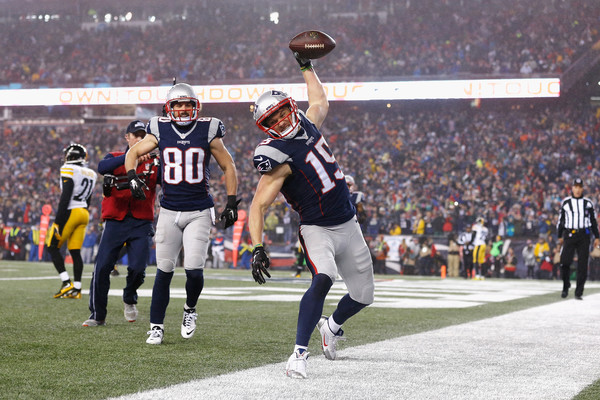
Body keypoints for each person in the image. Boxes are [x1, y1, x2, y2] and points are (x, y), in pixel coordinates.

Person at [248, 53, 374, 379]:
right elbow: (257, 206)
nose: (280, 123)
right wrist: (256, 246)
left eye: (280, 114)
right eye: (271, 121)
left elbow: (319, 100)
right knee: (324, 277)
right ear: (265, 128)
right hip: (317, 227)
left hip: (348, 222)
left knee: (363, 295)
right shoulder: (277, 156)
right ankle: (298, 355)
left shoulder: (307, 122)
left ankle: (331, 327)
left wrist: (306, 66)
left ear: (290, 107)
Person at [125, 82, 239, 344]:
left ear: (196, 106)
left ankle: (190, 309)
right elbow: (133, 152)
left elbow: (228, 166)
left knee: (194, 270)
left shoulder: (208, 129)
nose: (184, 108)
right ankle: (156, 326)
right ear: (170, 107)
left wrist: (231, 201)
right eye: (178, 104)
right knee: (164, 270)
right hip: (169, 210)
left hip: (199, 210)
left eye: (188, 103)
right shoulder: (159, 128)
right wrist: (132, 177)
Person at [82, 121, 160, 327]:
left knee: (138, 268)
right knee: (102, 268)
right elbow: (101, 167)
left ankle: (129, 296)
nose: (140, 139)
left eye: (144, 136)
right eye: (136, 135)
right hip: (115, 221)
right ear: (127, 137)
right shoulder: (114, 156)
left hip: (141, 221)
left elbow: (169, 181)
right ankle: (97, 315)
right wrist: (131, 157)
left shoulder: (155, 163)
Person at [47, 143, 97, 299]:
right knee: (75, 251)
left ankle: (66, 282)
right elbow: (88, 199)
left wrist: (57, 222)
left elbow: (65, 197)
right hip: (83, 213)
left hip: (72, 211)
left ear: (70, 156)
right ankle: (77, 288)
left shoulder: (68, 169)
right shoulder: (91, 173)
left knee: (52, 246)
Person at [556, 178, 600, 299]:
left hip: (583, 236)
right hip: (569, 234)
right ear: (572, 188)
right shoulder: (566, 202)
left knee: (582, 264)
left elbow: (593, 221)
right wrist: (559, 235)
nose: (578, 189)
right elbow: (561, 220)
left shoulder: (588, 203)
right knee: (564, 262)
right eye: (575, 187)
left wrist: (597, 236)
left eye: (580, 187)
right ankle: (566, 286)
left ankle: (578, 292)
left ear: (582, 189)